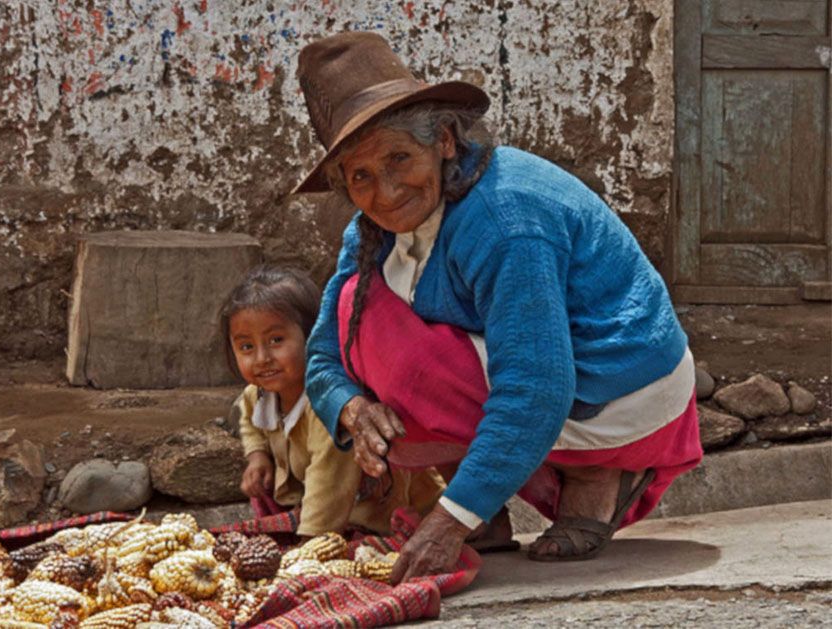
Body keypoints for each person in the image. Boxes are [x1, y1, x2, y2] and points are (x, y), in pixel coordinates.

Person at [295, 32, 703, 580]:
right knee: (357, 310)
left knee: (399, 355)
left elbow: (535, 385)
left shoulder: (506, 219)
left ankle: (598, 474)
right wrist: (351, 408)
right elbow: (324, 349)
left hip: (617, 390)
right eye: (362, 176)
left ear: (442, 141)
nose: (386, 192)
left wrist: (448, 521)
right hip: (538, 376)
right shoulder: (370, 232)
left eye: (399, 158)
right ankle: (482, 503)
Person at [219, 265, 445, 538]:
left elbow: (329, 480)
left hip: (380, 510)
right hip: (329, 500)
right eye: (246, 347)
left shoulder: (331, 408)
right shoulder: (258, 394)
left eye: (276, 340)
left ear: (313, 336)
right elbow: (249, 420)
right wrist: (257, 456)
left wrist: (310, 544)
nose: (262, 358)